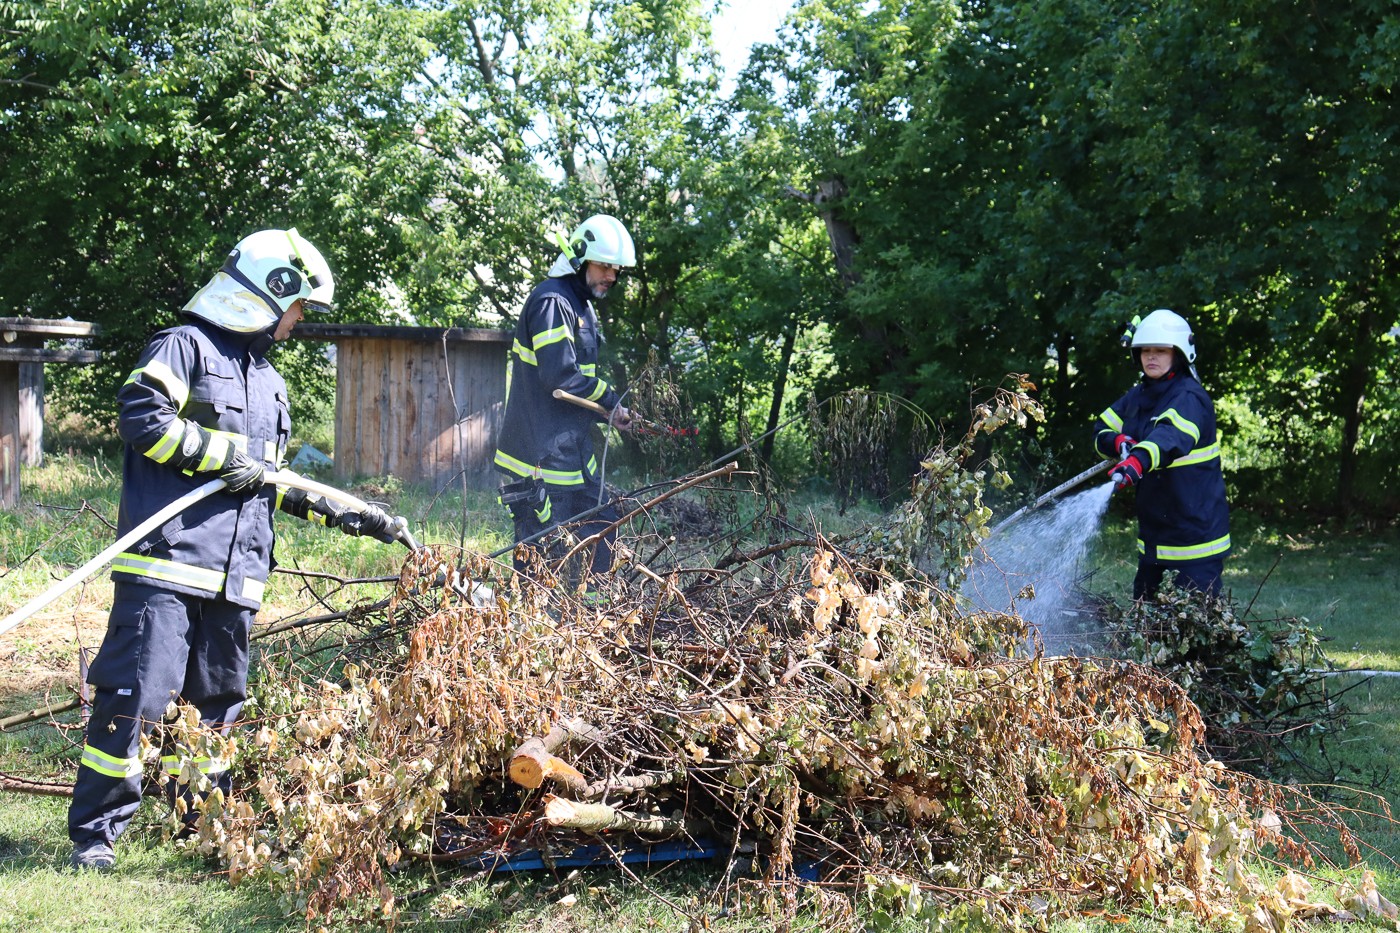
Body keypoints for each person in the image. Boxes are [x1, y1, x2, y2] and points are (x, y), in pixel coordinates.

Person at [69, 229, 407, 871]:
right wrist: (221, 455)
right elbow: (142, 417)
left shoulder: (269, 381)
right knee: (137, 697)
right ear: (268, 291)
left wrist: (351, 514)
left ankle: (200, 827)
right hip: (168, 565)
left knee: (216, 711)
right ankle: (96, 836)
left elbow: (269, 480)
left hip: (238, 575)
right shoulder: (184, 346)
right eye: (299, 303)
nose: (300, 318)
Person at [492, 214, 636, 594]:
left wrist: (607, 414)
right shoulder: (553, 301)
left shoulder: (580, 304)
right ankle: (533, 622)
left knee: (604, 525)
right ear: (580, 259)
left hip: (572, 452)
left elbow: (572, 390)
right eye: (604, 266)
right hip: (539, 457)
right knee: (542, 552)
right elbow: (560, 377)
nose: (612, 276)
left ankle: (593, 615)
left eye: (616, 269)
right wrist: (610, 399)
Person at [1093, 308, 1231, 601]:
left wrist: (1137, 461)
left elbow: (1169, 437)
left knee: (1193, 625)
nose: (1151, 357)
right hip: (1155, 541)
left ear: (1178, 354)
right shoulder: (1139, 395)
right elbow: (1101, 429)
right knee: (1143, 621)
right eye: (1145, 350)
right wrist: (1118, 441)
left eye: (1161, 350)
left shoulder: (1189, 397)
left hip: (1195, 543)